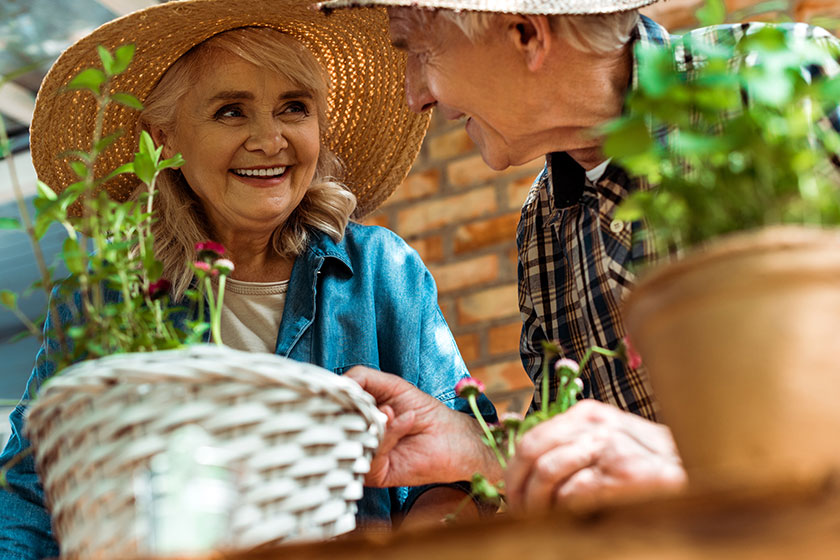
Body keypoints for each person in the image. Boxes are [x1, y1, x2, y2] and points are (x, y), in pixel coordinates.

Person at [0, 1, 495, 557]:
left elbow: (461, 467)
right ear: (164, 139)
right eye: (231, 111)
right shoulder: (102, 302)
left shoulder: (383, 270)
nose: (269, 140)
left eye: (294, 108)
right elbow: (29, 491)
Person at [319, 0, 840, 511]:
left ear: (525, 33)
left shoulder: (781, 83)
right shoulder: (544, 223)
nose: (415, 97)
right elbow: (586, 455)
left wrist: (696, 468)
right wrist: (474, 447)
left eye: (421, 51)